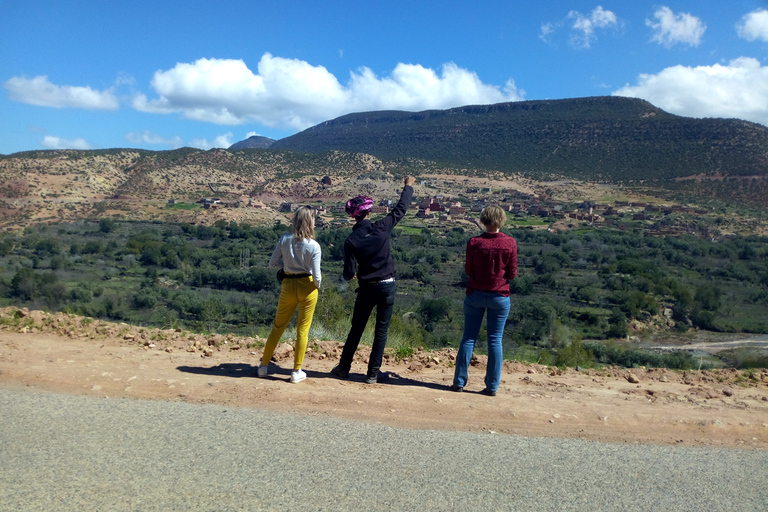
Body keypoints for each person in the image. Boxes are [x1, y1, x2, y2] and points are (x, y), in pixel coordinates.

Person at [331, 175, 416, 384]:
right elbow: (400, 209)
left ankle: (343, 367)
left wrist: (353, 274)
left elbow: (348, 273)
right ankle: (373, 373)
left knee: (357, 328)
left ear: (353, 216)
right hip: (387, 285)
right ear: (369, 212)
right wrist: (408, 187)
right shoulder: (381, 228)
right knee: (382, 329)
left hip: (367, 287)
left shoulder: (350, 241)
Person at [452, 205, 517, 396]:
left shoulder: (474, 242)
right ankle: (492, 387)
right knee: (495, 341)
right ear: (501, 220)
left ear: (483, 220)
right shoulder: (510, 243)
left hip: (475, 294)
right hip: (500, 296)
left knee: (468, 338)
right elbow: (512, 273)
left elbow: (468, 270)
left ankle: (459, 382)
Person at [258, 206, 321, 383]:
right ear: (310, 221)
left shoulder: (284, 239)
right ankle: (296, 371)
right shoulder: (314, 246)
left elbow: (272, 263)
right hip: (307, 286)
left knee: (278, 327)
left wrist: (286, 268)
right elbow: (317, 277)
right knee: (303, 330)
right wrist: (316, 287)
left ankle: (263, 367)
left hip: (288, 284)